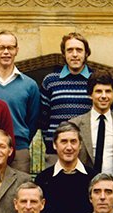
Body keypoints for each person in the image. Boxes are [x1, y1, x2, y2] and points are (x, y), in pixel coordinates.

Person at [0, 31, 41, 174]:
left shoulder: (29, 85)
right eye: (1, 48)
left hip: (19, 151)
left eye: (10, 48)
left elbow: (33, 120)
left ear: (16, 50)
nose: (6, 52)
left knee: (18, 192)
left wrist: (20, 140)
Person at [69, 70, 113, 175]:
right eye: (99, 91)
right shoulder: (75, 124)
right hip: (84, 185)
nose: (104, 96)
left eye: (108, 91)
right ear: (90, 95)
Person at [40, 32, 93, 160]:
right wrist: (51, 142)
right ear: (64, 54)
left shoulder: (95, 80)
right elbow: (42, 119)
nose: (74, 54)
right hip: (56, 152)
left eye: (79, 50)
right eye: (70, 50)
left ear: (86, 53)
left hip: (88, 152)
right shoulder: (50, 81)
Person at [34, 122, 94, 213]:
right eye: (64, 142)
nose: (69, 147)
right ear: (54, 145)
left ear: (80, 145)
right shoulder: (43, 179)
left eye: (73, 142)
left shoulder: (93, 178)